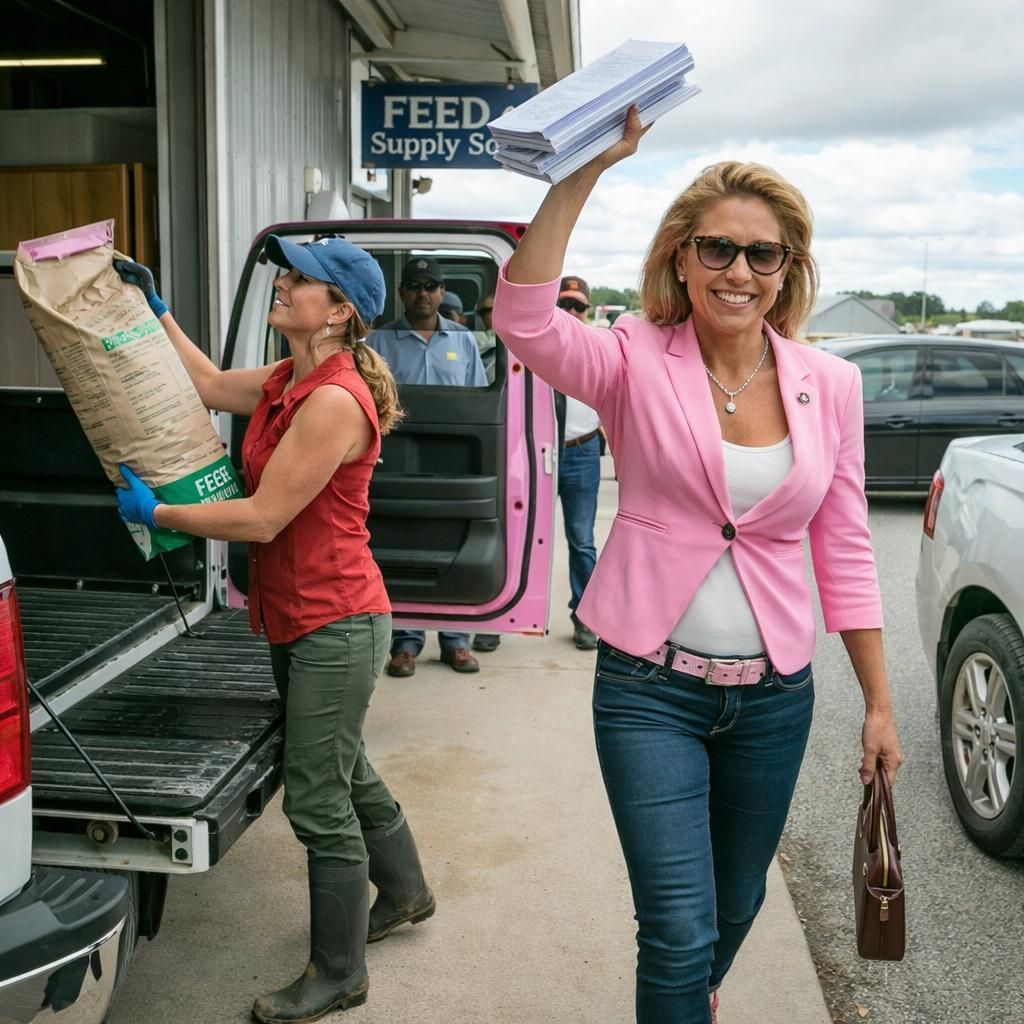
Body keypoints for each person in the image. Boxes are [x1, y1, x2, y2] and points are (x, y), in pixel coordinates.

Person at [491, 108, 903, 1023]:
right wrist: (584, 171)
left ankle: (690, 1000)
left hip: (774, 699)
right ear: (681, 257)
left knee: (737, 904)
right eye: (717, 248)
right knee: (678, 930)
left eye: (763, 254)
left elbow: (844, 545)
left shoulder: (830, 384)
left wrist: (878, 704)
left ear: (788, 270)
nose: (739, 272)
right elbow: (522, 319)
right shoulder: (632, 355)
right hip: (650, 689)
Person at [112, 237, 436, 1024]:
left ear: (339, 311)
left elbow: (263, 518)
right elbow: (207, 383)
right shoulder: (290, 378)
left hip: (336, 620)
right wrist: (156, 311)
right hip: (302, 615)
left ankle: (339, 974)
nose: (282, 286)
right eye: (284, 274)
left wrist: (160, 513)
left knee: (317, 796)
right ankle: (405, 892)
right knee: (342, 764)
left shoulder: (333, 401)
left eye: (299, 280)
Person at [367, 256, 487, 676]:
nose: (423, 293)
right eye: (415, 285)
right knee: (405, 545)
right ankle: (405, 643)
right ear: (402, 292)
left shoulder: (464, 341)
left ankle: (456, 642)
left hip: (453, 460)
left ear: (442, 292)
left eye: (431, 286)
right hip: (397, 458)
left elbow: (478, 401)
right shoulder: (378, 342)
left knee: (452, 543)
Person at [554, 275, 602, 651]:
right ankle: (503, 617)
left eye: (578, 306)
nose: (571, 312)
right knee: (519, 535)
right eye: (564, 305)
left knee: (582, 539)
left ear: (588, 310)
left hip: (581, 450)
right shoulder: (534, 345)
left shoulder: (599, 349)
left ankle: (584, 617)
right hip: (537, 452)